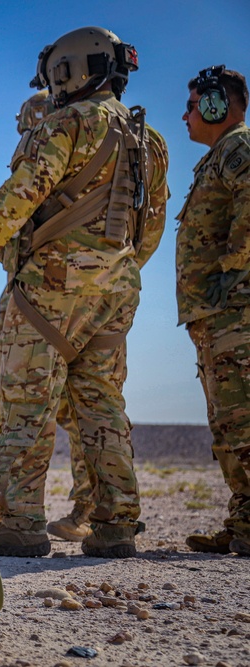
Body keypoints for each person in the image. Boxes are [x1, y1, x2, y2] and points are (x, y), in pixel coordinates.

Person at [0, 26, 168, 558]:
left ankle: (19, 520)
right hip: (117, 290)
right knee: (101, 405)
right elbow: (151, 223)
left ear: (71, 69)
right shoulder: (150, 139)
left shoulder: (68, 123)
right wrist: (113, 270)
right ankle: (115, 525)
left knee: (26, 401)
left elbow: (19, 196)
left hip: (48, 291)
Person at [0, 91, 97, 543]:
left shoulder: (72, 174)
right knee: (11, 406)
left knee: (78, 412)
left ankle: (87, 509)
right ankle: (8, 507)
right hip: (21, 297)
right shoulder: (40, 170)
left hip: (60, 301)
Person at [176, 65, 250, 557]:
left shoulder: (239, 148)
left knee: (241, 419)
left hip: (235, 312)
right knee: (230, 422)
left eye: (192, 105)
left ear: (216, 105)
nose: (185, 116)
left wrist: (234, 268)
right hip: (218, 314)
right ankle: (244, 521)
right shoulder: (221, 155)